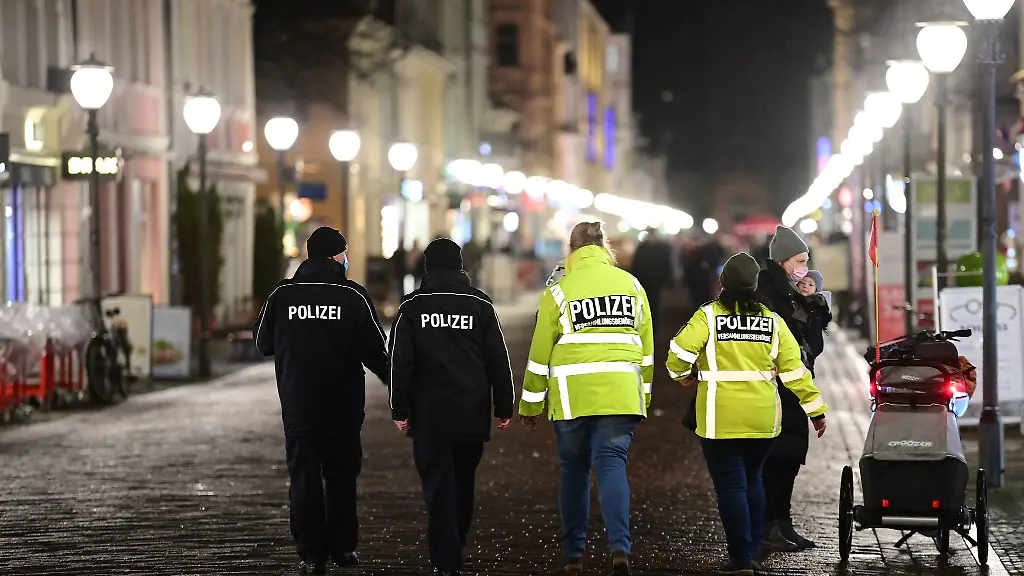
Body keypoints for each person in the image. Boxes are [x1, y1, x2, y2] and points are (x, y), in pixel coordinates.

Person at [666, 252, 828, 575]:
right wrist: (816, 411)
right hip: (762, 420)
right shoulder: (772, 321)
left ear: (723, 283)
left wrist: (685, 375)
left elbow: (677, 353)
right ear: (755, 284)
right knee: (753, 480)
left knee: (731, 487)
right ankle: (752, 551)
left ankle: (741, 560)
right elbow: (796, 371)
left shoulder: (708, 317)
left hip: (718, 420)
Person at [519, 221, 654, 576]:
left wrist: (531, 404)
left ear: (572, 250)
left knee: (574, 471)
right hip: (621, 394)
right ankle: (620, 549)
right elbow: (647, 351)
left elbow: (539, 354)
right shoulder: (632, 286)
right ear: (605, 248)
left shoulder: (559, 293)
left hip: (571, 397)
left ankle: (573, 555)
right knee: (612, 466)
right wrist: (644, 396)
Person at [253, 226, 390, 575]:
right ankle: (342, 547)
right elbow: (375, 351)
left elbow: (262, 342)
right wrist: (401, 388)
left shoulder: (282, 296)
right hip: (343, 405)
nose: (347, 260)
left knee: (304, 477)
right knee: (342, 476)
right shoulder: (353, 296)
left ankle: (311, 553)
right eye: (344, 254)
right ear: (335, 256)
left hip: (299, 403)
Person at [388, 238, 516, 576]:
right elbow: (497, 360)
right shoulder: (480, 305)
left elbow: (400, 364)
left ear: (427, 267)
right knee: (462, 481)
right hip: (470, 412)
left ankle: (446, 557)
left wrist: (399, 409)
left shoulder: (412, 307)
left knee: (438, 483)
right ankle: (454, 544)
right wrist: (504, 405)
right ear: (461, 266)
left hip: (429, 414)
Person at [754, 225, 821, 550]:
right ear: (782, 261)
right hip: (776, 387)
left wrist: (816, 314)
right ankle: (768, 525)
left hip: (795, 384)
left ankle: (784, 522)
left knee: (791, 457)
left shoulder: (797, 293)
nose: (804, 267)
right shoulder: (768, 294)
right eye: (800, 259)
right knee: (775, 459)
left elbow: (812, 346)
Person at [630, 228, 673, 332]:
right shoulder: (662, 248)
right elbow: (667, 265)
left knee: (648, 305)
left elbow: (635, 265)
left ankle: (650, 327)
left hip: (647, 281)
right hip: (653, 281)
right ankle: (652, 328)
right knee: (652, 305)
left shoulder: (643, 248)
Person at [795, 270, 832, 374]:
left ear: (816, 289)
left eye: (810, 284)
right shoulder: (792, 302)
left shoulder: (818, 307)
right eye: (802, 283)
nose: (805, 286)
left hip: (808, 350)